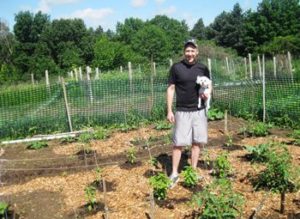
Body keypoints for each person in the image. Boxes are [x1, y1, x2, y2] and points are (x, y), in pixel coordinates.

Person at [166, 39, 212, 188]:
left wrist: (206, 94)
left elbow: (209, 86)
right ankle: (174, 173)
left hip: (199, 110)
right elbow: (171, 88)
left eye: (192, 50)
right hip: (182, 110)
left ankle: (193, 171)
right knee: (178, 143)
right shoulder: (176, 68)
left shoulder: (203, 68)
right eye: (187, 50)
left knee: (197, 142)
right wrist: (169, 110)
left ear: (197, 52)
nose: (190, 53)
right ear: (184, 52)